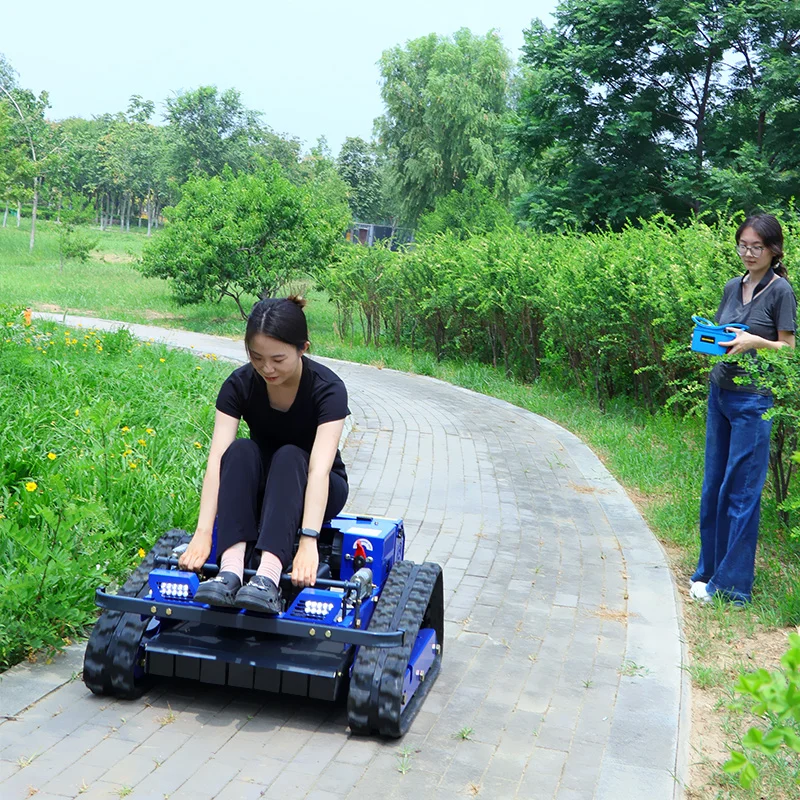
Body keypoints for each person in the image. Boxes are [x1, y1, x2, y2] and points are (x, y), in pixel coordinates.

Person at [177, 296, 349, 613]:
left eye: (278, 359)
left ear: (303, 348)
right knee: (240, 449)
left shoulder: (328, 389)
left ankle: (267, 577)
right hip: (261, 484)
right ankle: (230, 571)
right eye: (257, 357)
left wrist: (309, 541)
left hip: (315, 486)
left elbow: (320, 470)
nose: (266, 368)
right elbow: (217, 461)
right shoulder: (239, 384)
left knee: (289, 455)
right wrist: (202, 534)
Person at [691, 214, 796, 605]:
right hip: (720, 392)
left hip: (753, 400)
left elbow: (788, 348)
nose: (749, 253)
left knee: (741, 492)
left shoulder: (781, 290)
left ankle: (733, 588)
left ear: (773, 250)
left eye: (757, 247)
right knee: (713, 486)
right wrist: (714, 339)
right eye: (743, 245)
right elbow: (727, 332)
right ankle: (708, 572)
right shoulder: (733, 286)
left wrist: (755, 341)